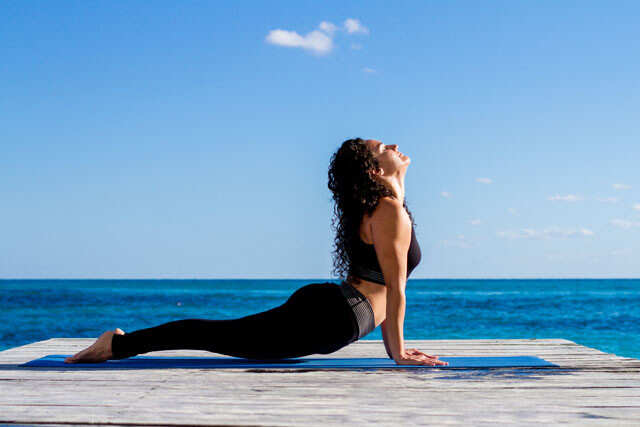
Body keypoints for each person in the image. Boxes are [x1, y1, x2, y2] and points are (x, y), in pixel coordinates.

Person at [65, 138, 448, 366]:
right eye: (384, 148)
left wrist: (395, 346)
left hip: (335, 314)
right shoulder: (387, 210)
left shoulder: (385, 207)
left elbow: (387, 287)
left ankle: (118, 342)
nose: (395, 147)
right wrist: (396, 353)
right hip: (331, 318)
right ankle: (115, 344)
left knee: (223, 336)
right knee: (219, 336)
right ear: (374, 172)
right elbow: (395, 289)